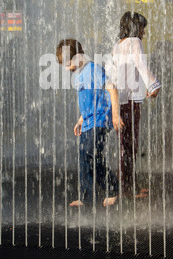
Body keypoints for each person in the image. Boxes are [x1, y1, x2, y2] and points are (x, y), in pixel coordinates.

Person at [56, 38, 123, 208]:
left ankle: (113, 189)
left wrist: (115, 115)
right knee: (85, 158)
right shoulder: (80, 73)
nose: (66, 68)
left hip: (99, 120)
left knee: (91, 156)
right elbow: (89, 100)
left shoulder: (92, 69)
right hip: (88, 122)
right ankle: (86, 196)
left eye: (67, 64)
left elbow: (111, 88)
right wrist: (81, 119)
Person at [106, 11, 161, 198]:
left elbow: (113, 77)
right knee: (130, 147)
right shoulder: (134, 42)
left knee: (125, 146)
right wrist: (153, 85)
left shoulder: (117, 46)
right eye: (142, 28)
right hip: (130, 103)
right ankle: (126, 190)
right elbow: (141, 65)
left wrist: (114, 109)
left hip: (120, 102)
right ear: (135, 27)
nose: (143, 33)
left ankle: (129, 186)